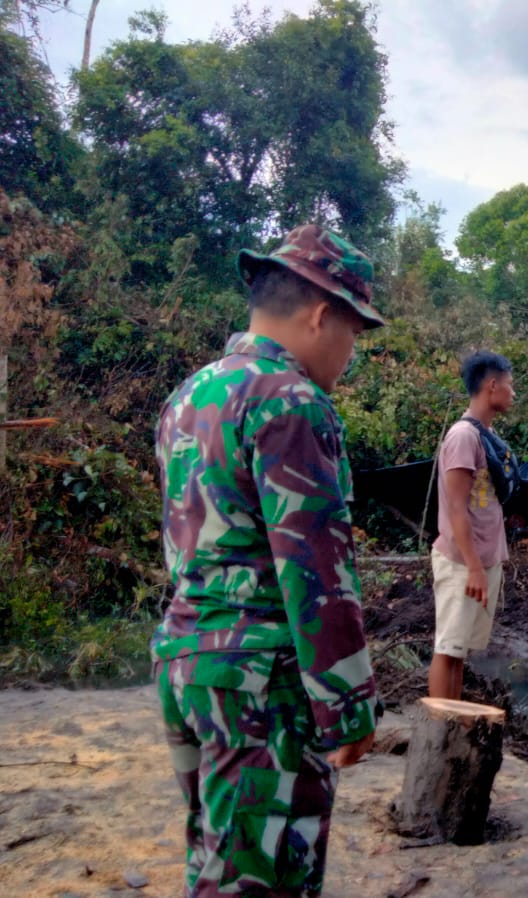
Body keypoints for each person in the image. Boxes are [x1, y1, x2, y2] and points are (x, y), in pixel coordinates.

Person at [153, 224, 383, 897]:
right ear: (321, 315)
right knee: (266, 880)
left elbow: (182, 537)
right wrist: (349, 706)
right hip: (263, 687)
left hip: (188, 667)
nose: (349, 353)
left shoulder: (188, 397)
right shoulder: (293, 401)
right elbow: (315, 569)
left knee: (218, 861)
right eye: (353, 334)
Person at [427, 351, 517, 700]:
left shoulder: (485, 436)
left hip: (482, 559)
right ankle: (438, 735)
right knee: (448, 647)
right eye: (509, 385)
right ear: (491, 386)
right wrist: (475, 568)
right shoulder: (463, 437)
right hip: (463, 562)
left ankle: (453, 730)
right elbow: (456, 509)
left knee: (459, 651)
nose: (512, 393)